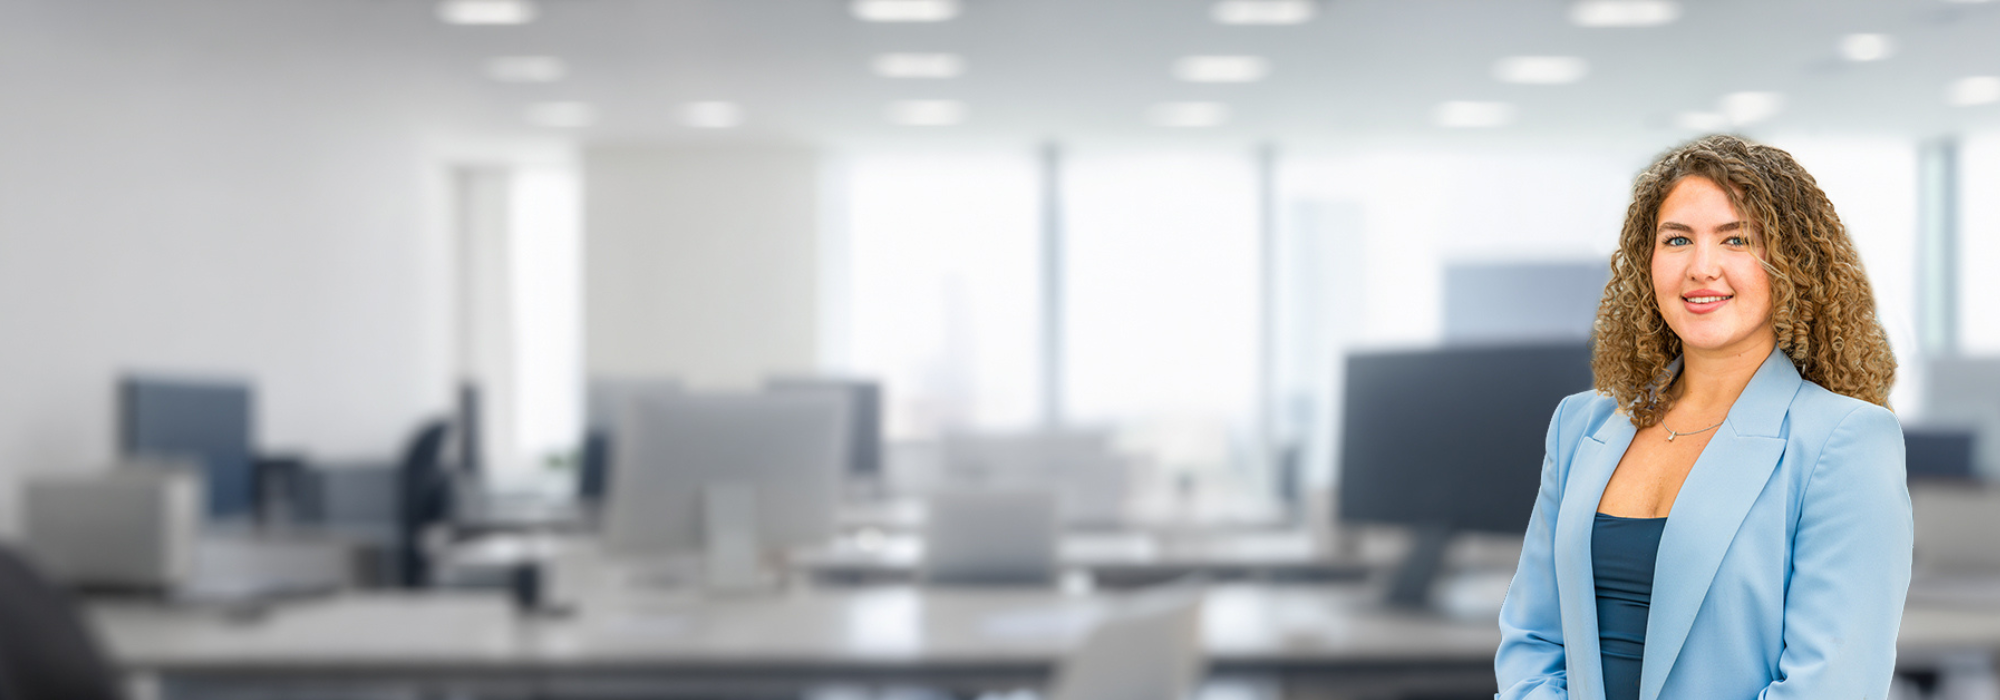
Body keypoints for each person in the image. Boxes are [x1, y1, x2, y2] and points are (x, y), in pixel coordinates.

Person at [1494, 134, 1911, 700]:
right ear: (1648, 262)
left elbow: (1830, 684)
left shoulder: (1847, 440)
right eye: (1677, 240)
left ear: (1791, 264)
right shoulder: (1580, 426)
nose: (1702, 267)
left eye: (1736, 239)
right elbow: (1531, 640)